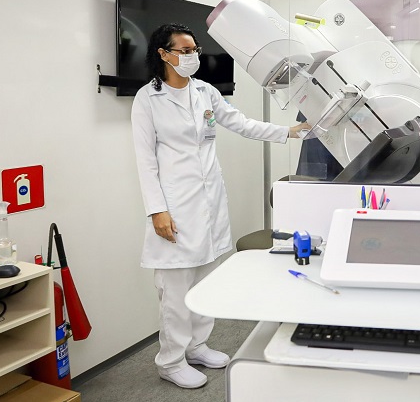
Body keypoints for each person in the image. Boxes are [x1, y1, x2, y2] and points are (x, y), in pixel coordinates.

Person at [131, 23, 309, 389]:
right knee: (176, 291)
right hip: (174, 205)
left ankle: (197, 345)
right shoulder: (148, 99)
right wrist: (156, 210)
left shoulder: (205, 92)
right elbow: (145, 160)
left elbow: (240, 123)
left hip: (209, 200)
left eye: (195, 49)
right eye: (184, 50)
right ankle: (170, 359)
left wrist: (287, 132)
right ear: (164, 54)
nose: (193, 56)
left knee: (205, 281)